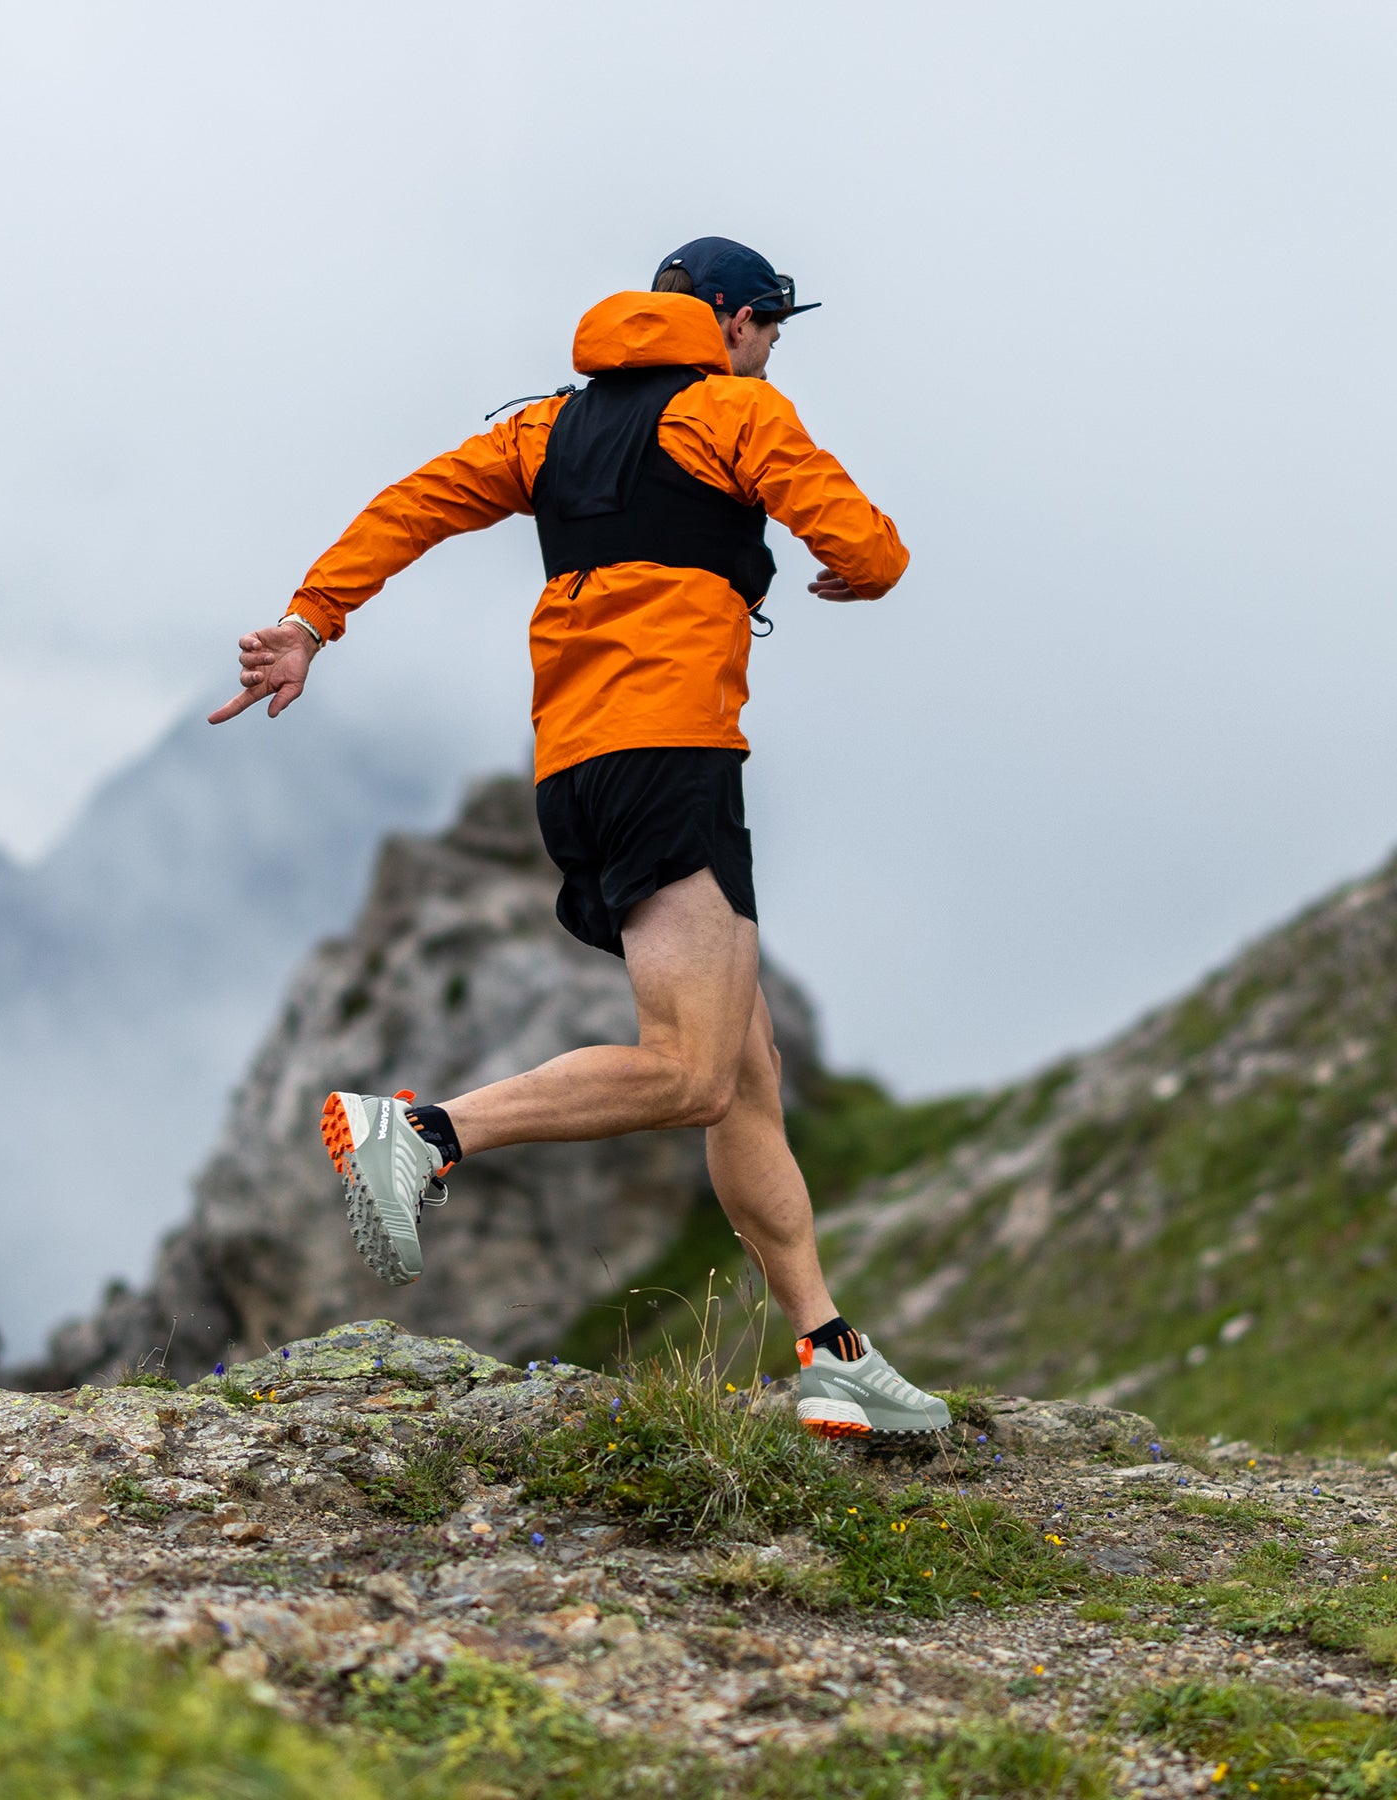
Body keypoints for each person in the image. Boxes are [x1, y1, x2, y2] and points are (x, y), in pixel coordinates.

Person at [208, 236, 949, 1439]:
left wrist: (309, 622)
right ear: (726, 318)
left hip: (574, 768)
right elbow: (868, 548)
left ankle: (829, 1356)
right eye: (768, 326)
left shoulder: (545, 427)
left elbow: (410, 507)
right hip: (674, 760)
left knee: (743, 1076)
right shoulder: (729, 411)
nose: (769, 349)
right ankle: (424, 1135)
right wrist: (856, 578)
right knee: (693, 1070)